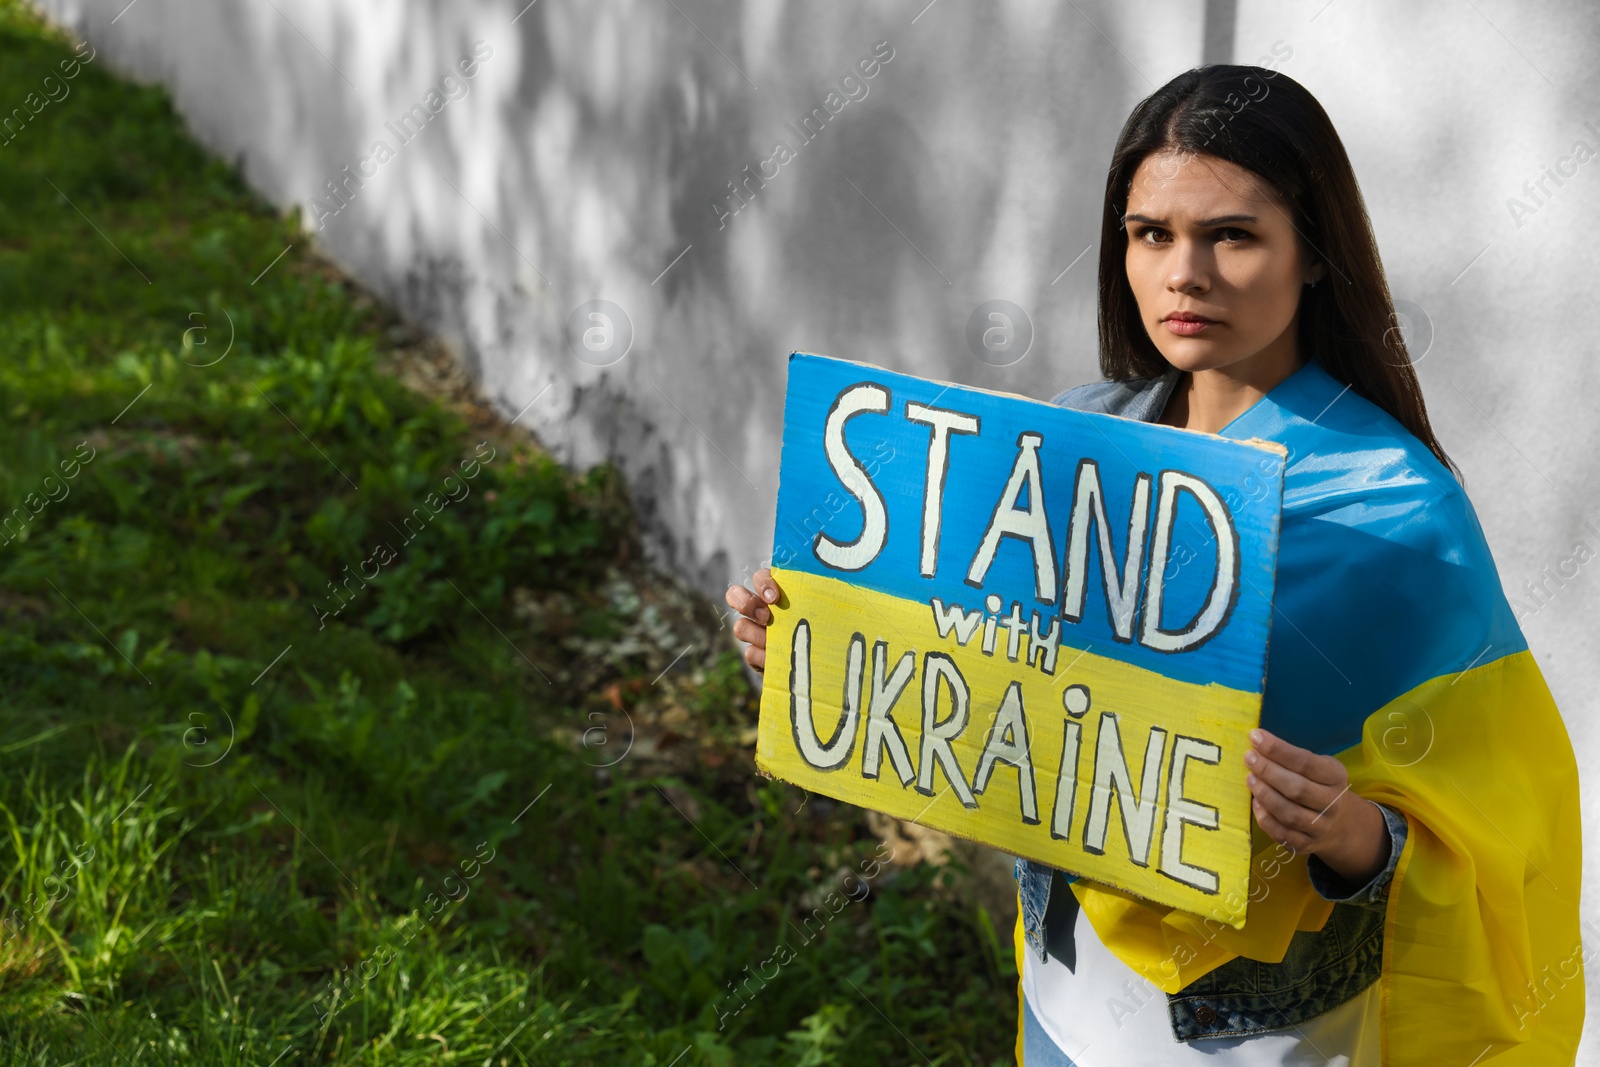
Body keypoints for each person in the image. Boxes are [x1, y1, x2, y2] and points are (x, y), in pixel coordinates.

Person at [726, 64, 1583, 1065]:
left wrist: (1352, 833)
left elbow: (1506, 823)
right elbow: (994, 679)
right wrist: (818, 647)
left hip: (1260, 1030)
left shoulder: (1398, 513)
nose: (1184, 273)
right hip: (1065, 982)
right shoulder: (1078, 438)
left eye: (1231, 234)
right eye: (1150, 235)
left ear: (1313, 253)